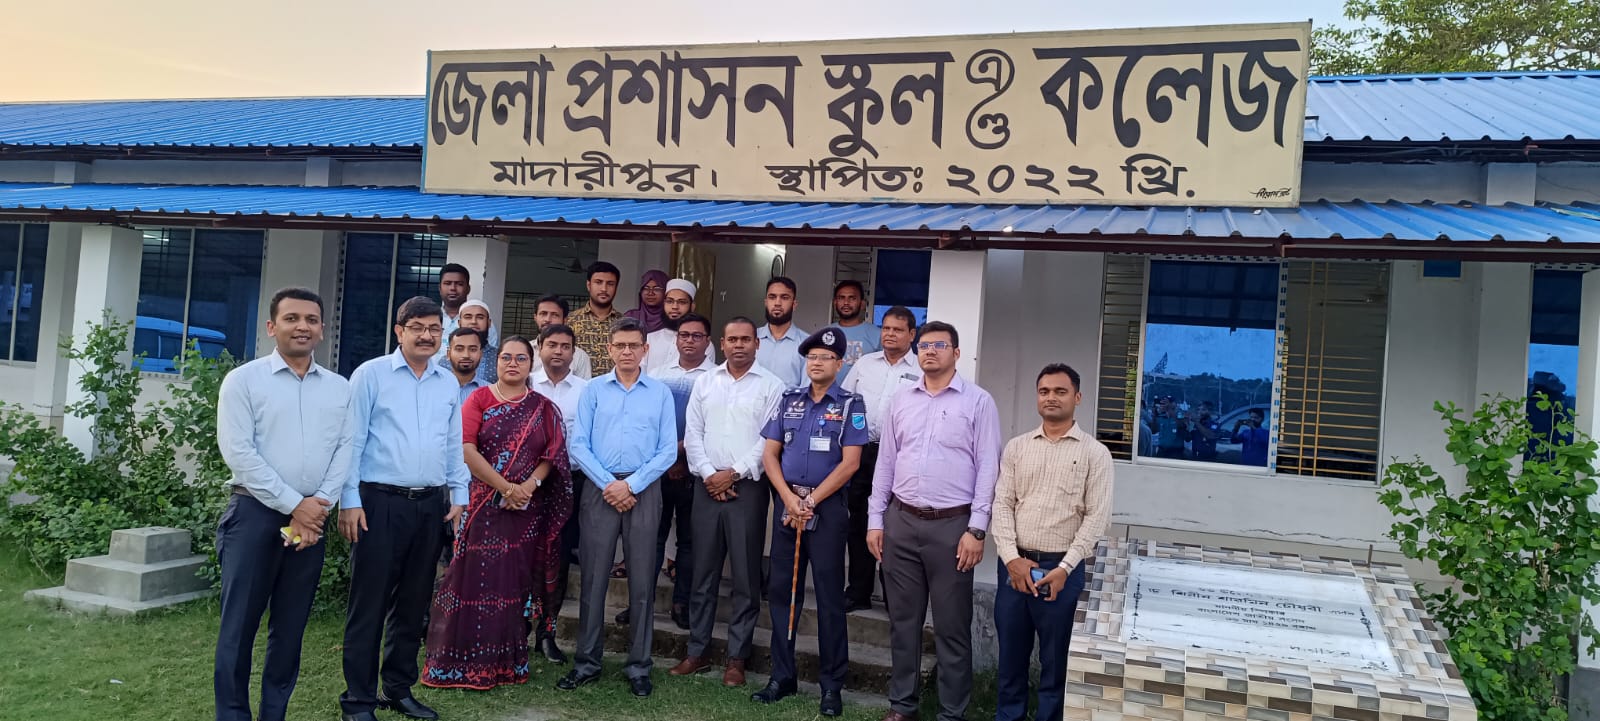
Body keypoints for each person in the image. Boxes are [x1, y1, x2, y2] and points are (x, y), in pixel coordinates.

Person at [214, 287, 352, 721]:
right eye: (292, 318)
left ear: (323, 329)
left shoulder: (339, 389)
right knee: (239, 628)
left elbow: (345, 450)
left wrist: (318, 506)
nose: (302, 327)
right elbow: (239, 454)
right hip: (254, 517)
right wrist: (297, 505)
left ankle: (274, 714)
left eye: (311, 319)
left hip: (310, 522)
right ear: (272, 327)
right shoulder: (244, 381)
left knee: (290, 630)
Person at [338, 296, 470, 721]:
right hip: (378, 503)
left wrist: (459, 494)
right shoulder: (371, 375)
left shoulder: (446, 382)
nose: (427, 335)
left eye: (434, 328)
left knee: (413, 605)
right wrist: (349, 500)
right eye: (418, 327)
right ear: (399, 331)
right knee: (370, 604)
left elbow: (452, 443)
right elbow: (352, 441)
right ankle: (358, 700)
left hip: (430, 505)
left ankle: (397, 688)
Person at [866, 320, 1002, 721]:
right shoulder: (901, 400)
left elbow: (988, 468)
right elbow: (886, 463)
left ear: (956, 353)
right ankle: (902, 706)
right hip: (901, 521)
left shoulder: (978, 402)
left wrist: (977, 529)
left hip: (953, 528)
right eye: (924, 345)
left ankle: (951, 712)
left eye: (939, 345)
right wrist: (876, 520)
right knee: (903, 623)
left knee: (951, 626)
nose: (929, 351)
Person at [421, 336, 574, 691]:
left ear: (531, 363)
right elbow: (466, 449)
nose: (512, 364)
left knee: (513, 583)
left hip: (525, 511)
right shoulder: (479, 399)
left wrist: (526, 488)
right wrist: (506, 488)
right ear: (497, 361)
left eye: (521, 358)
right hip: (484, 506)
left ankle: (506, 663)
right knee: (474, 579)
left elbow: (551, 456)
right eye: (506, 357)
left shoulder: (543, 408)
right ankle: (461, 661)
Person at [558, 317, 678, 698]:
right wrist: (610, 484)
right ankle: (586, 662)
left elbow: (668, 449)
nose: (627, 352)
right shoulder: (593, 390)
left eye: (634, 345)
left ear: (645, 349)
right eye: (620, 345)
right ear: (609, 349)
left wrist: (632, 484)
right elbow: (579, 444)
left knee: (642, 580)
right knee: (594, 578)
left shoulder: (660, 393)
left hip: (644, 488)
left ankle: (639, 666)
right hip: (600, 488)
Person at [752, 327, 865, 717]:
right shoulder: (789, 400)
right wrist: (788, 499)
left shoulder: (850, 405)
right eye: (812, 357)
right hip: (788, 507)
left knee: (830, 599)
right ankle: (782, 676)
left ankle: (831, 685)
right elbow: (770, 455)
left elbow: (851, 463)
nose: (817, 363)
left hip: (827, 510)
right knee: (783, 594)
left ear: (839, 363)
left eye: (825, 358)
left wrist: (812, 501)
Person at [992, 364, 1112, 721]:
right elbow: (1002, 504)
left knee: (1056, 661)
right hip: (1015, 569)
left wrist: (1064, 568)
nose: (1051, 398)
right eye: (1044, 391)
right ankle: (1009, 716)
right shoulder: (1017, 447)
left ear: (1077, 397)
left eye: (1060, 391)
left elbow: (1096, 518)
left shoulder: (1095, 453)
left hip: (1061, 571)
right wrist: (1011, 559)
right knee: (1010, 658)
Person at [670, 316, 785, 688]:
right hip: (706, 486)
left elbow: (768, 441)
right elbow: (693, 433)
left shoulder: (772, 386)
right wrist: (709, 474)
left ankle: (737, 658)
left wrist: (732, 474)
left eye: (745, 339)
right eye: (732, 339)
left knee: (746, 577)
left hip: (747, 489)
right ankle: (697, 651)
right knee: (702, 573)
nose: (738, 345)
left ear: (757, 344)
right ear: (721, 343)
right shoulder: (706, 382)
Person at [837, 305, 921, 613]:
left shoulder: (921, 369)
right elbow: (845, 402)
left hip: (901, 457)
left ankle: (893, 596)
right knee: (859, 521)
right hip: (862, 452)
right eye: (886, 328)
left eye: (897, 330)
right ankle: (858, 591)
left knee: (894, 526)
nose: (890, 334)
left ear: (911, 334)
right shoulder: (864, 364)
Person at [642, 312, 717, 629]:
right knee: (651, 538)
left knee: (689, 540)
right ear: (676, 340)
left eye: (697, 336)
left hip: (695, 470)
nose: (689, 341)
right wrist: (668, 457)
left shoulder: (716, 377)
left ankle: (682, 603)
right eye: (684, 335)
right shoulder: (656, 375)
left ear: (707, 342)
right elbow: (648, 421)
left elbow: (713, 427)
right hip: (658, 470)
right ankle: (641, 604)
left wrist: (682, 457)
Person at [531, 322, 590, 664]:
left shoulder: (587, 390)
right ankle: (516, 631)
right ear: (540, 347)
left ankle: (547, 633)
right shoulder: (525, 383)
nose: (558, 351)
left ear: (574, 352)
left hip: (570, 484)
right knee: (523, 558)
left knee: (560, 558)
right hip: (526, 486)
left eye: (565, 346)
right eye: (552, 344)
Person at [435, 265, 498, 363]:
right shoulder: (431, 320)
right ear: (439, 288)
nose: (453, 288)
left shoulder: (483, 325)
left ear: (468, 289)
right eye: (447, 283)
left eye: (459, 284)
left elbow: (490, 357)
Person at [570, 262, 622, 376]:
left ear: (616, 287)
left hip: (613, 386)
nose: (604, 289)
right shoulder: (570, 321)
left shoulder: (624, 324)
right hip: (578, 385)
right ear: (589, 285)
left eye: (610, 284)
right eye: (598, 282)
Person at [756, 277, 807, 388]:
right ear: (766, 302)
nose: (777, 303)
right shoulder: (751, 339)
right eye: (772, 297)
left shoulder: (807, 344)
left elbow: (807, 390)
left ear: (794, 304)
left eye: (784, 297)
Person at [642, 278, 698, 373]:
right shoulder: (650, 338)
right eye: (670, 301)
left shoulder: (702, 344)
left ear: (692, 306)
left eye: (682, 302)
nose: (674, 307)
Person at [532, 294, 592, 380]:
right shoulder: (524, 351)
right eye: (543, 314)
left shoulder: (580, 356)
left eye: (555, 315)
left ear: (565, 320)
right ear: (535, 317)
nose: (548, 319)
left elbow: (584, 387)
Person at [832, 280, 880, 382]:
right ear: (835, 302)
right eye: (841, 298)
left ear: (862, 304)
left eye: (852, 298)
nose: (846, 302)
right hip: (830, 391)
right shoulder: (824, 333)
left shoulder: (877, 334)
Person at [445, 327, 487, 404]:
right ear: (448, 354)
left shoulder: (490, 392)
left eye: (473, 349)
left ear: (481, 354)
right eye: (459, 349)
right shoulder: (434, 388)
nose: (466, 355)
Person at [623, 269, 670, 333]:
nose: (650, 293)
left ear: (666, 292)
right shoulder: (630, 317)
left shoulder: (672, 320)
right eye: (645, 288)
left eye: (656, 289)